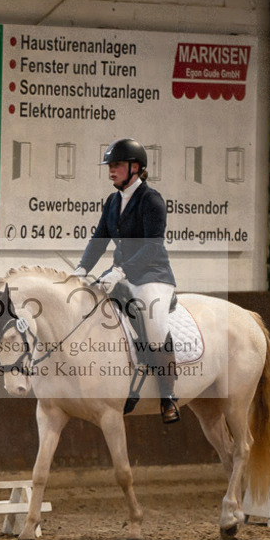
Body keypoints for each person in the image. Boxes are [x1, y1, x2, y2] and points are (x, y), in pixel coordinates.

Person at [74, 137, 180, 424]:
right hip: (120, 274)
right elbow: (99, 239)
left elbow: (152, 246)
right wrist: (81, 269)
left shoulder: (151, 200)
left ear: (135, 168)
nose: (111, 170)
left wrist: (121, 271)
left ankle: (168, 396)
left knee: (155, 327)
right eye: (110, 165)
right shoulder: (112, 201)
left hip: (152, 275)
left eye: (117, 165)